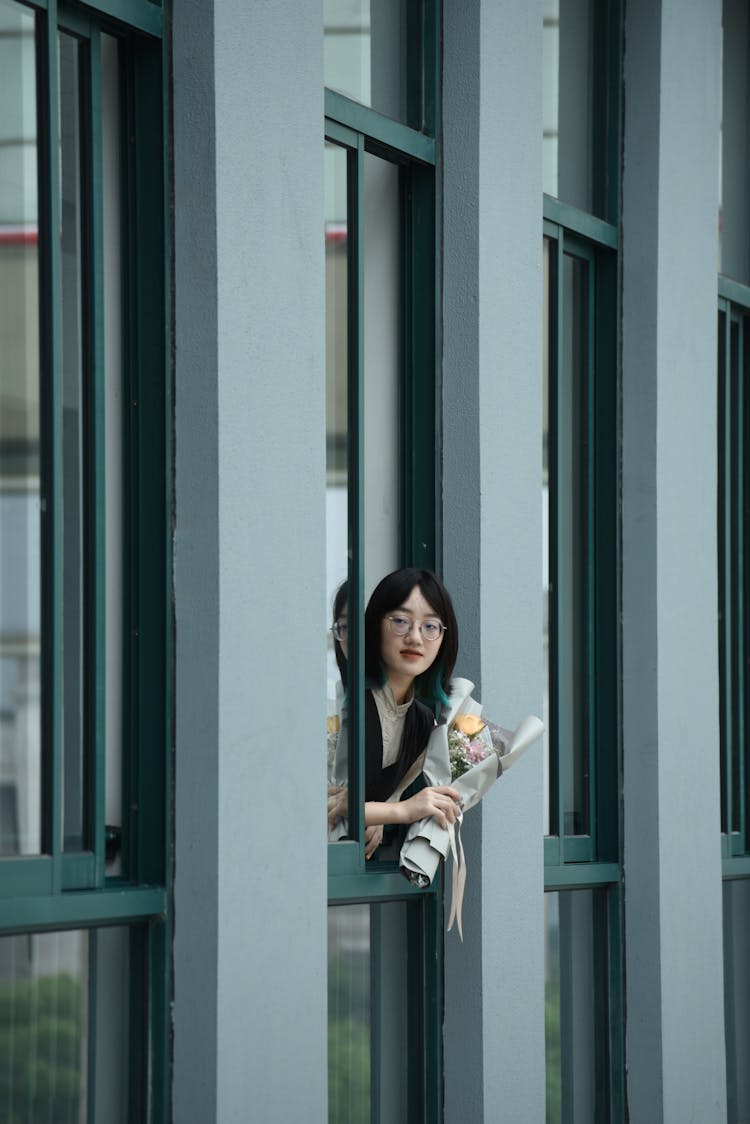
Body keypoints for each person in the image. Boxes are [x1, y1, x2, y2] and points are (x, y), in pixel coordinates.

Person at [329, 568, 461, 858]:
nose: (415, 637)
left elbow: (360, 807)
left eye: (430, 626)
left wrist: (378, 814)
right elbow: (326, 803)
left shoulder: (425, 725)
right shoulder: (346, 705)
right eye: (400, 621)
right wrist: (399, 810)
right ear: (374, 626)